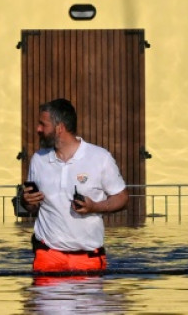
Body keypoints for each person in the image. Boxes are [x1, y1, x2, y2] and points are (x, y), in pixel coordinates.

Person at [21, 98, 129, 273]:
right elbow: (32, 207)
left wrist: (95, 207)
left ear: (59, 127)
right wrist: (27, 202)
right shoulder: (38, 159)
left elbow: (122, 197)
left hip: (88, 259)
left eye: (43, 124)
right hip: (47, 256)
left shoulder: (100, 157)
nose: (38, 129)